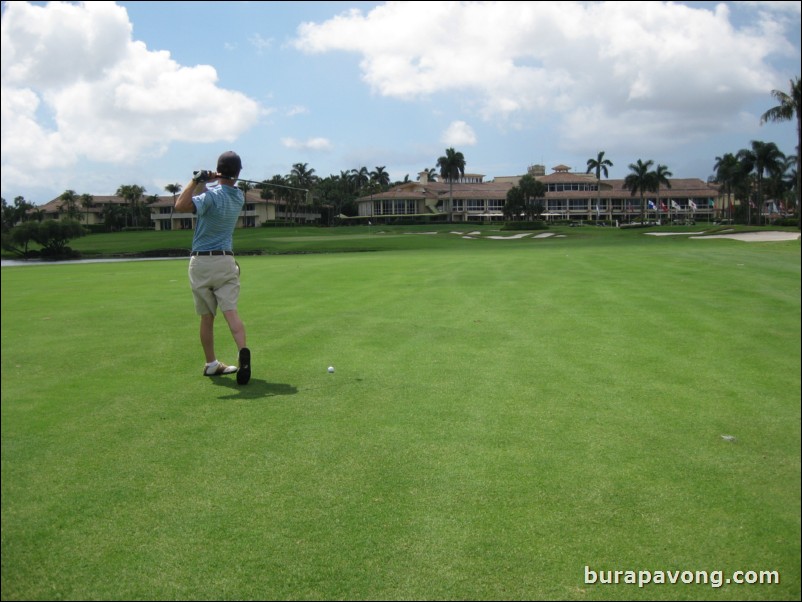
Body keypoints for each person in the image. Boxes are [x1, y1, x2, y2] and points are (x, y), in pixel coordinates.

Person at [174, 151, 251, 384]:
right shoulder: (238, 197)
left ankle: (211, 364)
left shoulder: (210, 197)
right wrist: (209, 183)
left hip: (201, 263)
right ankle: (242, 351)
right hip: (226, 261)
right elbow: (206, 199)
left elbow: (181, 205)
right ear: (238, 174)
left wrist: (197, 180)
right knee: (231, 313)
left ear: (218, 170)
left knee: (207, 318)